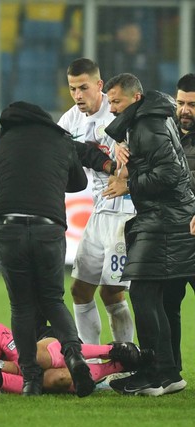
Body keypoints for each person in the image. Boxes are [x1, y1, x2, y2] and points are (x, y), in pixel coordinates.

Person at [0, 101, 94, 397]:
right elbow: (79, 181)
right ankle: (74, 356)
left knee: (21, 306)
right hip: (48, 226)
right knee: (53, 299)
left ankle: (31, 380)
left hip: (7, 227)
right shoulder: (60, 139)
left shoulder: (3, 141)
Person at [103, 73, 195, 396]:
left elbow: (169, 173)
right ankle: (168, 374)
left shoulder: (146, 126)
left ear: (136, 99)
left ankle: (152, 376)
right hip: (169, 218)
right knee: (155, 297)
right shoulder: (152, 119)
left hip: (164, 221)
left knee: (143, 294)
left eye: (117, 101)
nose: (111, 108)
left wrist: (128, 184)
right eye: (109, 101)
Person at [57, 58, 135, 345]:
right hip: (99, 210)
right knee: (80, 290)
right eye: (72, 88)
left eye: (84, 88)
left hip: (126, 212)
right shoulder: (69, 121)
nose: (78, 95)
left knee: (111, 292)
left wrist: (127, 178)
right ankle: (90, 361)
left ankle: (125, 360)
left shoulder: (117, 112)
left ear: (99, 85)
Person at [0, 322, 150, 395]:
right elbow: (30, 383)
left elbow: (29, 363)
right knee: (59, 379)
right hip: (47, 371)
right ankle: (117, 365)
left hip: (52, 344)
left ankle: (111, 350)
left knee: (38, 358)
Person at [164, 73, 195, 372]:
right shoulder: (166, 133)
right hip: (173, 236)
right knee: (168, 304)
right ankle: (171, 370)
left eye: (192, 104)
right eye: (181, 103)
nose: (184, 110)